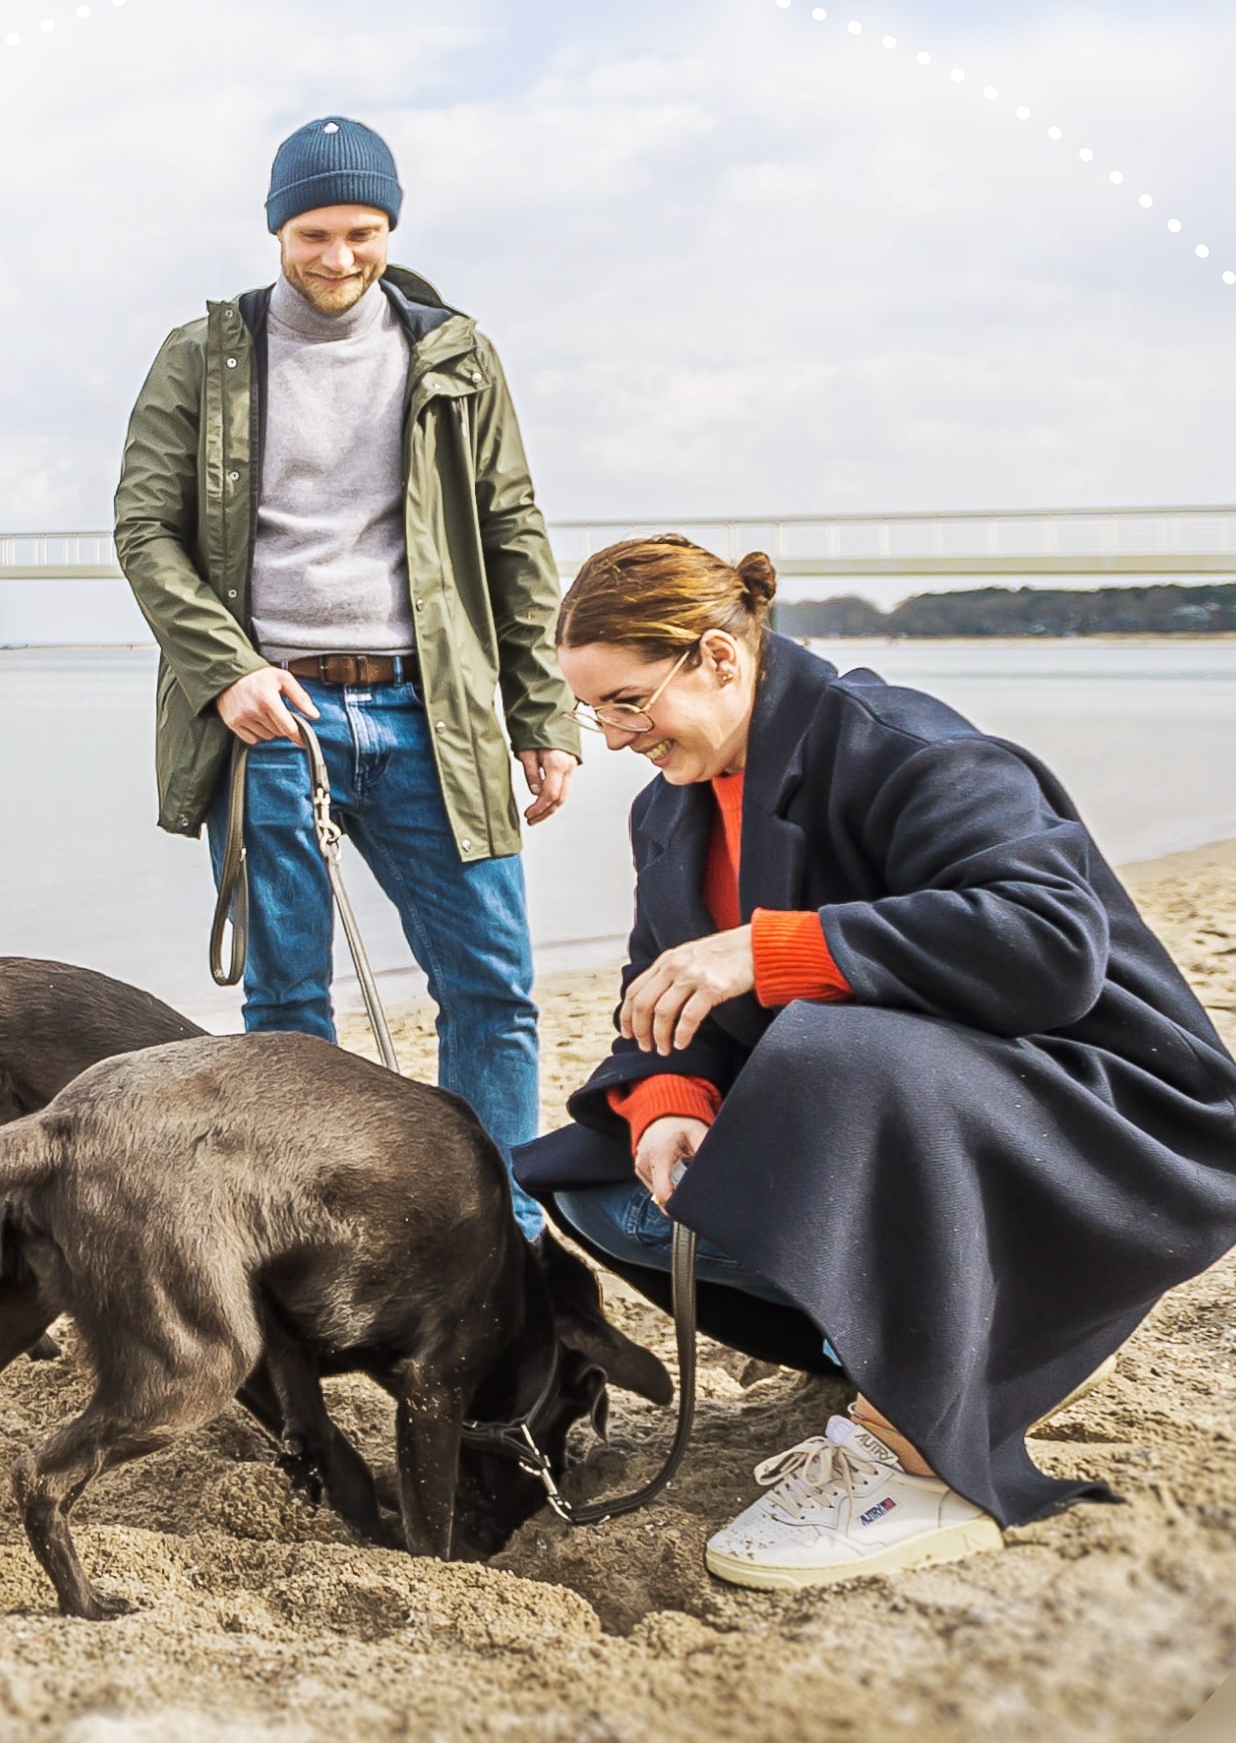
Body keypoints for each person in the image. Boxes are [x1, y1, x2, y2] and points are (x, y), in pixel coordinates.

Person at [511, 533, 1236, 1588]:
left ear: (719, 658)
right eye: (595, 713)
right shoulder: (671, 811)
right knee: (606, 1186)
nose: (616, 737)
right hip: (927, 1113)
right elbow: (660, 996)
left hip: (1110, 1113)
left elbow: (1048, 942)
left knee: (831, 1051)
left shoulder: (904, 746)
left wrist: (773, 947)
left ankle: (923, 1457)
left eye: (629, 702)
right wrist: (667, 1098)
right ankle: (918, 1344)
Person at [113, 115, 581, 1234]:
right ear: (276, 228)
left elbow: (512, 532)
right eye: (313, 233)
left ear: (392, 226)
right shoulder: (205, 352)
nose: (337, 258)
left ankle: (498, 1244)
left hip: (437, 714)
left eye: (361, 232)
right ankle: (306, 1234)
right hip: (272, 715)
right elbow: (146, 529)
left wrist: (544, 712)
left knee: (495, 992)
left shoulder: (455, 353)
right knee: (284, 1006)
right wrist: (227, 672)